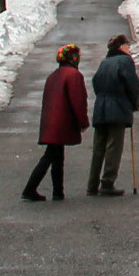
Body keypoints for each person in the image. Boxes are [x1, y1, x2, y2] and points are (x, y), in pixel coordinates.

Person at [22, 43, 87, 203]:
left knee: (56, 155)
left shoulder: (54, 75)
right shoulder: (73, 75)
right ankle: (30, 189)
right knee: (50, 156)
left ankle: (58, 191)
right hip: (62, 123)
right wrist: (83, 122)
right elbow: (78, 101)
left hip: (51, 122)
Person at [87, 32, 139, 196]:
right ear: (121, 47)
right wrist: (134, 103)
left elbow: (96, 82)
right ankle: (107, 182)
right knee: (114, 146)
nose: (129, 48)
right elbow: (132, 84)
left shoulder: (105, 62)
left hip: (101, 106)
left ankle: (92, 184)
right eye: (127, 45)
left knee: (99, 147)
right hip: (118, 107)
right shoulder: (125, 61)